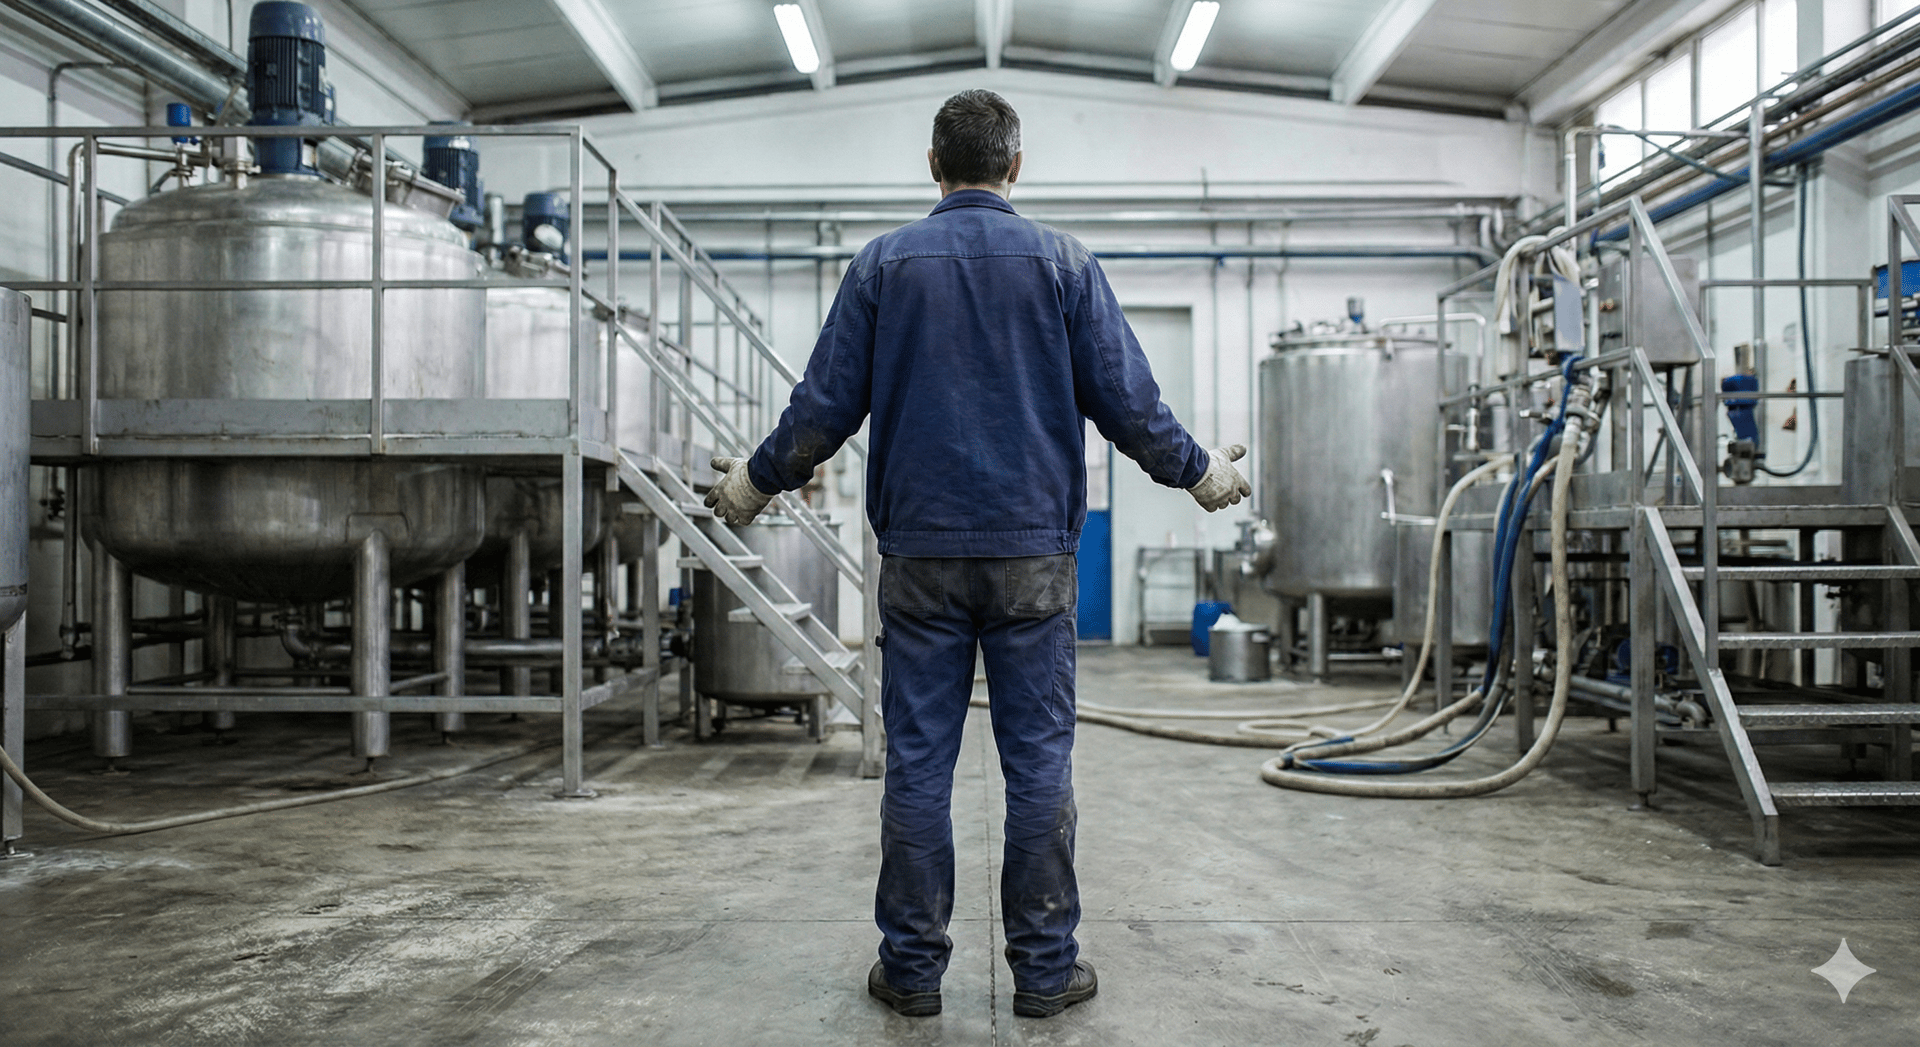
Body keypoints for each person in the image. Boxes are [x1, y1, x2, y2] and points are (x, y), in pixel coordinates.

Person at [704, 88, 1248, 1020]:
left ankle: (912, 972)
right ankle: (1043, 971)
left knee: (919, 761)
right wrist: (1201, 476)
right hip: (1034, 554)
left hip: (918, 556)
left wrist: (751, 485)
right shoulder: (1065, 265)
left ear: (933, 165)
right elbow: (1131, 403)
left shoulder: (883, 265)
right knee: (1037, 761)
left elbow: (822, 408)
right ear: (1016, 166)